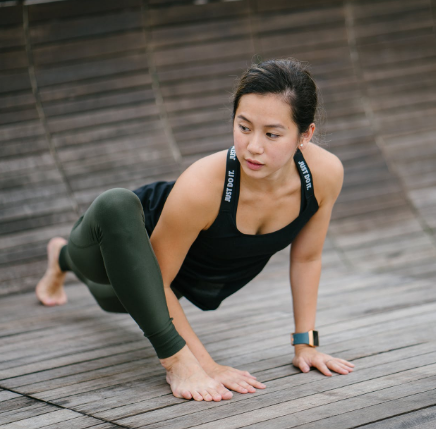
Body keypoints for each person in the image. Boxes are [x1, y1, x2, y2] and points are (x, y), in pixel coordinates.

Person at [35, 58, 355, 403]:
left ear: (304, 134)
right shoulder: (203, 184)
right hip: (117, 240)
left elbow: (307, 258)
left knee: (113, 301)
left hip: (172, 280)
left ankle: (58, 258)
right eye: (243, 127)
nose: (253, 146)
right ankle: (67, 255)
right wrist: (204, 364)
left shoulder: (324, 175)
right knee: (115, 208)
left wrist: (305, 344)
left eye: (272, 134)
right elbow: (156, 280)